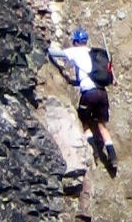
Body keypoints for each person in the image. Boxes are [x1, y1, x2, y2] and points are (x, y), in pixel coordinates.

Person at [49, 28, 117, 167]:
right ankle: (113, 157)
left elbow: (55, 53)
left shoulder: (75, 51)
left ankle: (94, 153)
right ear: (86, 41)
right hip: (102, 92)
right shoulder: (94, 54)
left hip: (88, 93)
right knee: (102, 125)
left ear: (75, 41)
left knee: (84, 121)